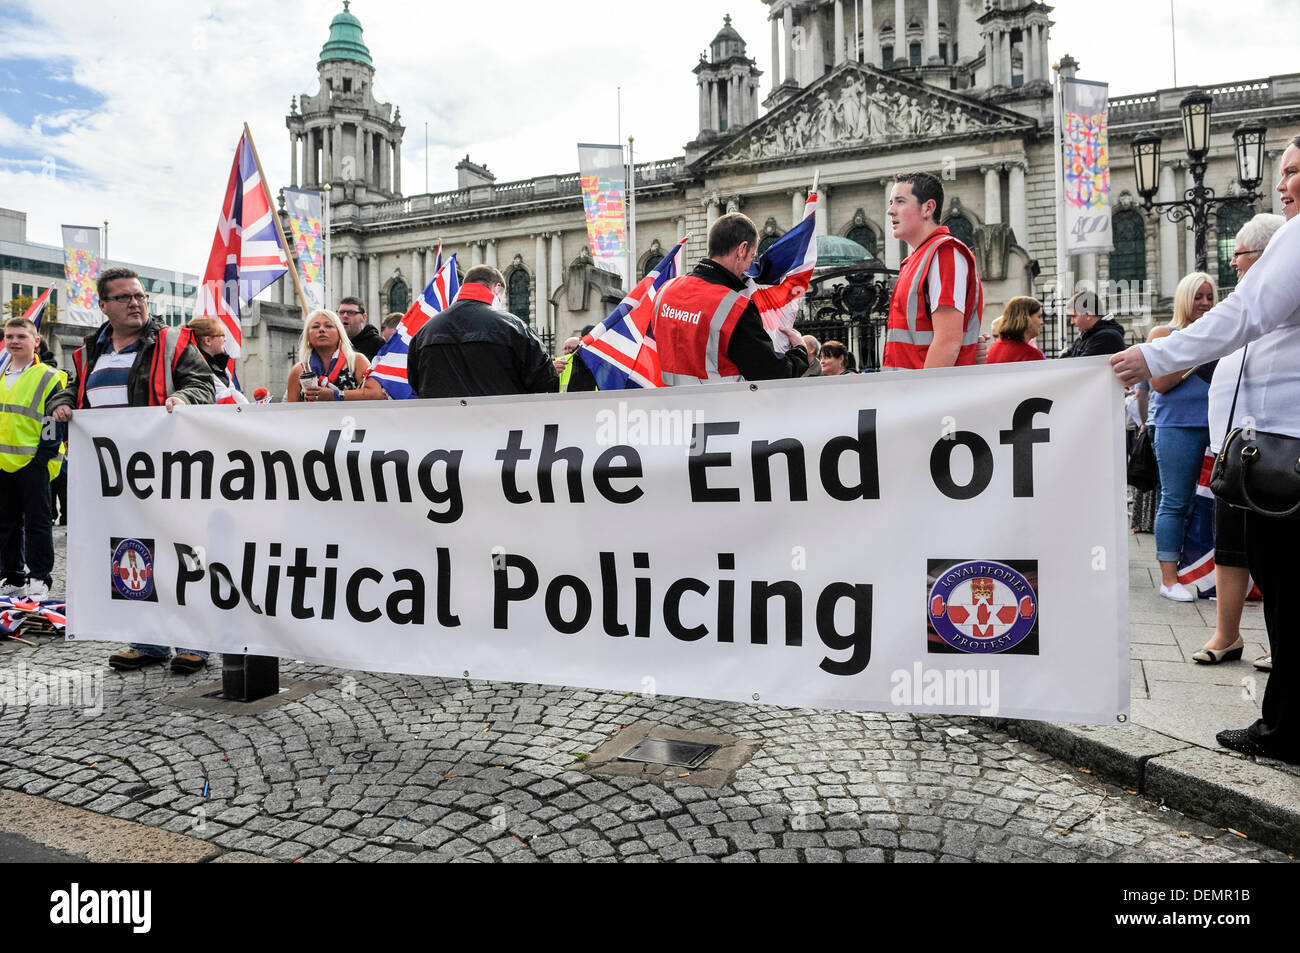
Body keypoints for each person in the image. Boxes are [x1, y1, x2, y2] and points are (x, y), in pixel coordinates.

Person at [1110, 132, 1300, 763]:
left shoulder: (1297, 239)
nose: (1283, 183)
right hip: (1270, 447)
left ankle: (1285, 729)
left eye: (1296, 171)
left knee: (1285, 582)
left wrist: (1151, 354)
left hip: (1283, 452)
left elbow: (1241, 316)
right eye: (1282, 171)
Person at [47, 267, 215, 673]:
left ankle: (196, 641)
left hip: (168, 468)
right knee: (133, 552)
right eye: (124, 298)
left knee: (181, 550)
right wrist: (63, 403)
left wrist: (184, 398)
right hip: (115, 476)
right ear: (103, 305)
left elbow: (204, 384)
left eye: (140, 296)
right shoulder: (89, 351)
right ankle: (148, 641)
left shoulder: (172, 342)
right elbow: (73, 387)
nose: (136, 303)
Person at [1193, 213, 1285, 666]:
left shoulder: (1279, 301)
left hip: (1274, 454)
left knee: (1277, 556)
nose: (1233, 265)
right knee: (1231, 546)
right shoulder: (1242, 302)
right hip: (1231, 451)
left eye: (1240, 255)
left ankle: (1281, 643)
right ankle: (1226, 635)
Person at [653, 212, 808, 383]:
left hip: (670, 407)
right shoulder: (735, 308)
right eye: (752, 256)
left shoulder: (664, 291)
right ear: (742, 250)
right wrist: (800, 351)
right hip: (721, 406)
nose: (750, 265)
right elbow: (774, 374)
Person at [1147, 272, 1217, 602]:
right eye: (1198, 297)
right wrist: (1197, 347)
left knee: (1214, 505)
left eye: (1209, 297)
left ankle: (1208, 576)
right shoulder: (1164, 334)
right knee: (1176, 502)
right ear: (1184, 299)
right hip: (1176, 427)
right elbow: (1160, 384)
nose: (1204, 303)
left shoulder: (1222, 335)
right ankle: (1169, 578)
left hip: (1218, 428)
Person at [882, 171, 983, 369]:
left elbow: (948, 342)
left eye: (900, 201)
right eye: (891, 202)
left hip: (926, 393)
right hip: (908, 391)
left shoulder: (945, 252)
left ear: (928, 208)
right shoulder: (917, 259)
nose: (890, 211)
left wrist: (925, 395)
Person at [407, 265, 558, 398]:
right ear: (497, 288)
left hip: (442, 425)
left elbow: (416, 383)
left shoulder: (424, 332)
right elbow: (545, 381)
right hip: (501, 423)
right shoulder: (513, 326)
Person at [0, 317, 65, 602]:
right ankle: (13, 578)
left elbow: (53, 419)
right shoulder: (1, 373)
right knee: (6, 524)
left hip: (34, 462)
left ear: (35, 340)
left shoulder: (49, 376)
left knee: (39, 523)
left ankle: (40, 578)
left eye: (21, 336)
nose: (14, 341)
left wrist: (42, 456)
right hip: (3, 462)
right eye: (9, 336)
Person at [287, 309, 385, 402]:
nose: (321, 330)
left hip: (350, 419)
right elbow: (292, 412)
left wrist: (335, 395)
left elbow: (375, 393)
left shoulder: (356, 361)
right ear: (308, 336)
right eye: (315, 327)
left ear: (339, 333)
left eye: (329, 326)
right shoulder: (299, 370)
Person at [186, 317, 246, 404]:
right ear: (208, 340)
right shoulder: (196, 369)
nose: (225, 339)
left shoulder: (220, 366)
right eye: (222, 335)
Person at [1059, 291, 1126, 358]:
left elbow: (1079, 366)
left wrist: (1064, 355)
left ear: (1088, 315)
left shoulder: (1107, 337)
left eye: (1074, 316)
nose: (1071, 322)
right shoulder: (1086, 336)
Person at [986, 296, 1046, 363]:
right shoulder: (1032, 355)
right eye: (1039, 316)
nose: (1042, 322)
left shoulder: (994, 348)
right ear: (1026, 319)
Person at [337, 296, 384, 361]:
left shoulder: (377, 344)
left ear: (364, 317)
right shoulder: (333, 342)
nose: (345, 316)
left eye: (351, 312)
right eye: (341, 312)